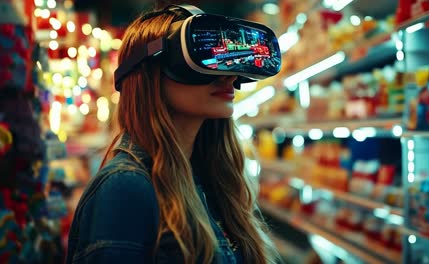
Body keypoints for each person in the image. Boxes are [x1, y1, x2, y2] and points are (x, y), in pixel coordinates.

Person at [66, 3, 282, 264]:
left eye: (226, 63)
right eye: (200, 57)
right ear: (147, 70)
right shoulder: (125, 189)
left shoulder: (209, 180)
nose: (228, 76)